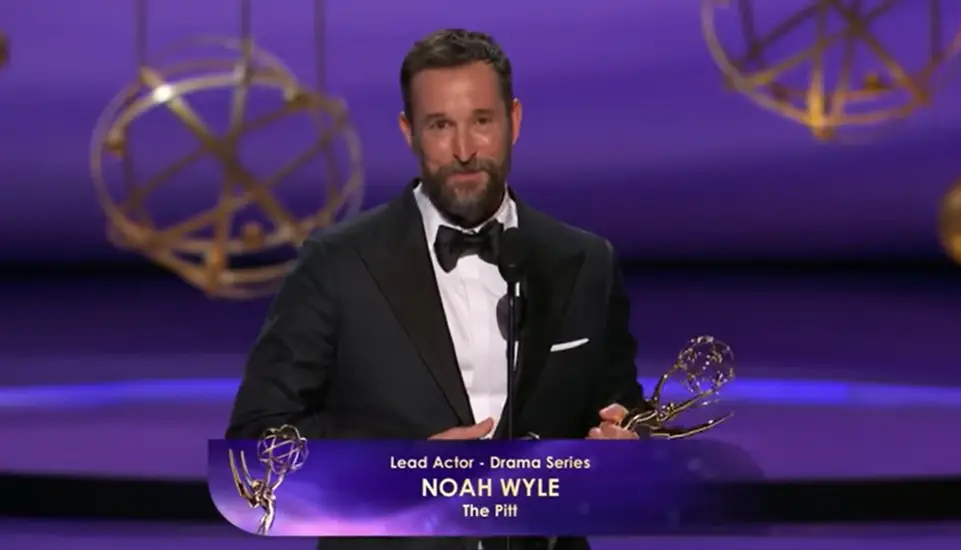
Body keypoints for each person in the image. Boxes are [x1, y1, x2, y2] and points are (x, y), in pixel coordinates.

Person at [226, 28, 646, 550]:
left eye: (482, 122)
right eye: (441, 125)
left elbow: (623, 416)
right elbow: (255, 447)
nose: (465, 150)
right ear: (410, 132)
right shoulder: (336, 265)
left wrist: (627, 446)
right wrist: (405, 472)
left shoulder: (585, 262)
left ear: (514, 121)